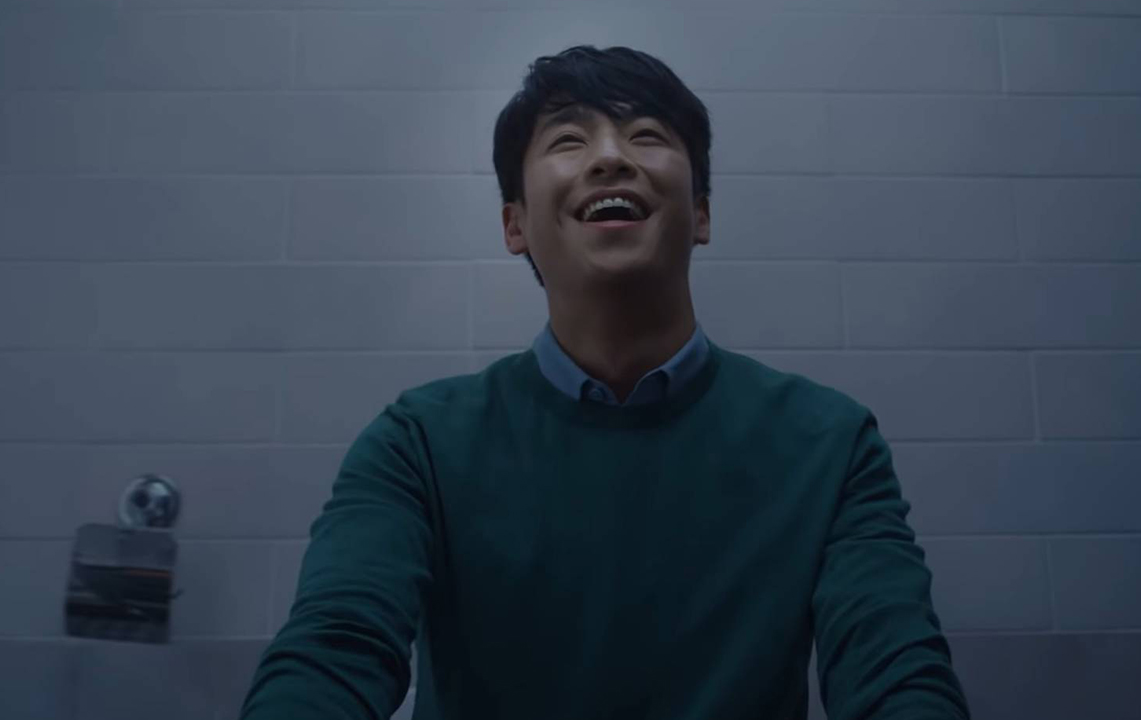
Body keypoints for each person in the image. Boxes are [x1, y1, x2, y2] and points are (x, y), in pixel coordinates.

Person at [238, 45, 971, 720]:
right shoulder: (417, 443)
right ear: (515, 224)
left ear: (701, 213)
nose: (611, 157)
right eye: (568, 140)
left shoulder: (830, 443)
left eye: (646, 135)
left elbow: (894, 669)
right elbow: (335, 646)